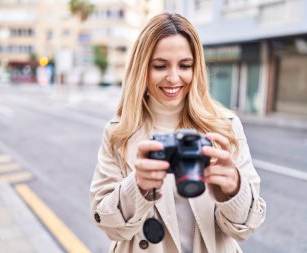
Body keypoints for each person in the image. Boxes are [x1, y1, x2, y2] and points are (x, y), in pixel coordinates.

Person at [90, 13, 266, 253]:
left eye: (185, 65)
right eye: (160, 66)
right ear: (142, 68)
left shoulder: (224, 125)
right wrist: (137, 187)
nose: (173, 78)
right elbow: (108, 224)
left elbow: (245, 228)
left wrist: (234, 189)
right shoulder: (119, 132)